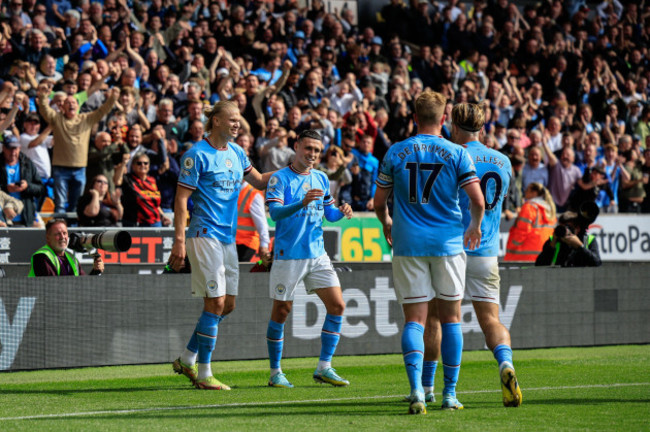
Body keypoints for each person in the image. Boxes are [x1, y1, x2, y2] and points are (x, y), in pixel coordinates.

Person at [374, 90, 485, 414]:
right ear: (444, 116)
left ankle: (417, 393)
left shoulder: (395, 151)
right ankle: (449, 395)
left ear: (414, 115)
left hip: (408, 245)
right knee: (451, 319)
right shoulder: (457, 153)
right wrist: (474, 227)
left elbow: (379, 202)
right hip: (448, 245)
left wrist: (387, 223)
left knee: (415, 321)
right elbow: (477, 201)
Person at [419, 102, 522, 409]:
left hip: (452, 249)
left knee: (436, 317)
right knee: (491, 319)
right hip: (487, 250)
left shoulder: (451, 155)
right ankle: (505, 363)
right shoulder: (503, 161)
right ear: (483, 126)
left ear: (453, 125)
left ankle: (428, 388)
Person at [168, 100, 275, 390]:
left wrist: (294, 170)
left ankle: (187, 358)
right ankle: (204, 374)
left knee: (227, 305)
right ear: (215, 121)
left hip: (228, 239)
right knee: (214, 302)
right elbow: (180, 200)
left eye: (239, 119)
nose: (237, 124)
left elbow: (261, 181)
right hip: (204, 235)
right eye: (232, 119)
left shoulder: (238, 153)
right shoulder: (196, 155)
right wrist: (179, 240)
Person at [264, 129, 354, 389]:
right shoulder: (279, 179)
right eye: (308, 148)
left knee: (337, 305)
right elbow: (275, 214)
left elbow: (329, 214)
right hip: (288, 255)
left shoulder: (322, 178)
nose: (313, 154)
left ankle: (324, 367)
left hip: (317, 254)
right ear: (296, 146)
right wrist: (301, 203)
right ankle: (275, 372)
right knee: (281, 311)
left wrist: (342, 211)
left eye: (317, 150)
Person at [37, 84, 120, 213]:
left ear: (78, 106)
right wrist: (42, 95)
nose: (71, 105)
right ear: (62, 107)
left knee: (76, 206)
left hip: (80, 169)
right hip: (60, 169)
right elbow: (44, 109)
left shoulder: (86, 119)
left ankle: (73, 231)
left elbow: (102, 111)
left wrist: (113, 98)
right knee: (59, 206)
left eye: (74, 102)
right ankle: (60, 231)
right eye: (68, 102)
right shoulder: (57, 118)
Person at [28, 218, 104, 276]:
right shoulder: (41, 257)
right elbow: (51, 288)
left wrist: (96, 271)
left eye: (64, 233)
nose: (62, 237)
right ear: (48, 238)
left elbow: (83, 285)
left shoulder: (72, 258)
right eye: (58, 234)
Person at [535, 204, 602, 267]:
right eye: (562, 227)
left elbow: (597, 263)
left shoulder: (586, 240)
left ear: (577, 229)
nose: (565, 230)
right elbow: (539, 265)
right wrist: (552, 246)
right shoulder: (553, 240)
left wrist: (580, 247)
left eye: (568, 227)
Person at [504, 182, 557, 262]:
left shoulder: (529, 207)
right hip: (542, 254)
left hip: (524, 255)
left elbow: (522, 230)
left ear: (534, 193)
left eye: (528, 190)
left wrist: (512, 246)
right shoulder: (550, 210)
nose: (525, 192)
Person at [0, 134, 45, 227]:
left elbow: (40, 189)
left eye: (15, 148)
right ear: (3, 148)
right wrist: (6, 189)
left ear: (20, 148)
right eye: (9, 148)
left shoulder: (28, 164)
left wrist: (27, 186)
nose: (12, 152)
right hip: (3, 220)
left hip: (26, 218)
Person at [235, 180, 271, 262]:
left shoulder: (253, 194)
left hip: (246, 244)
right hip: (234, 242)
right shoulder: (232, 191)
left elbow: (261, 223)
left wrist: (264, 245)